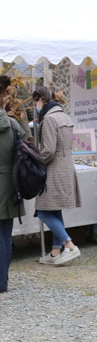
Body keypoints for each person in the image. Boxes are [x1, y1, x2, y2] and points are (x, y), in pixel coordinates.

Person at [33, 86, 82, 266]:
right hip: (66, 167)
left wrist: (35, 161)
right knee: (55, 209)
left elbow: (48, 150)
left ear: (41, 99)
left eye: (35, 102)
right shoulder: (64, 115)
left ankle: (69, 245)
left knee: (43, 210)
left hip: (53, 170)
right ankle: (55, 251)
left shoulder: (49, 119)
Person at [0, 111, 26, 291]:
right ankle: (3, 281)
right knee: (6, 235)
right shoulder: (12, 123)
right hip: (11, 183)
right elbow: (26, 144)